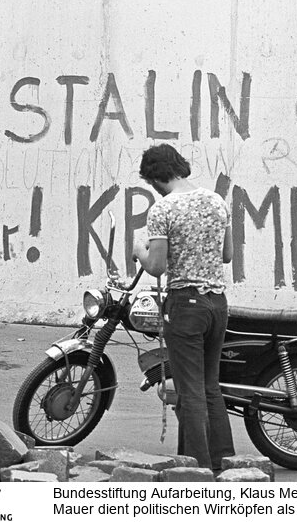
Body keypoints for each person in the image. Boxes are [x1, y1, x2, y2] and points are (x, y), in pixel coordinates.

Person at [132, 143, 235, 471]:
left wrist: (139, 250)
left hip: (186, 306)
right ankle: (224, 462)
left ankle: (196, 471)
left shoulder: (163, 209)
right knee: (210, 387)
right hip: (217, 304)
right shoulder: (217, 201)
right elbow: (227, 255)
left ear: (154, 179)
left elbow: (158, 266)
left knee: (189, 391)